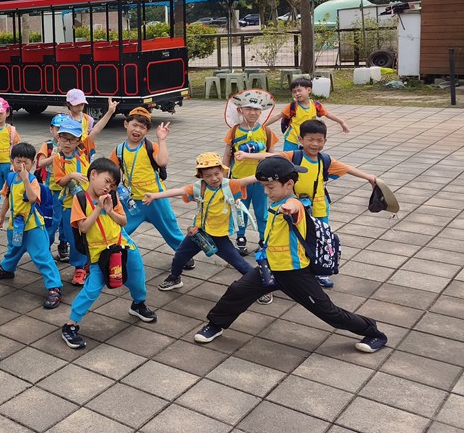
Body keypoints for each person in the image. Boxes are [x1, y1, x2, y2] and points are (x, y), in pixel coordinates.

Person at [193, 156, 387, 354]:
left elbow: (295, 206)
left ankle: (374, 333)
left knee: (327, 311)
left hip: (295, 272)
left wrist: (290, 208)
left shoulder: (294, 204)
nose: (266, 192)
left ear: (289, 184)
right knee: (237, 291)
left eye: (270, 187)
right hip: (270, 267)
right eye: (263, 187)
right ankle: (215, 325)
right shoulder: (276, 202)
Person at [237, 118, 378, 288]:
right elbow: (271, 157)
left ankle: (320, 272)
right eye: (310, 139)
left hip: (319, 209)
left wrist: (369, 177)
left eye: (319, 140)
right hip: (295, 208)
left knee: (320, 241)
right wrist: (246, 157)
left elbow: (347, 168)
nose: (315, 144)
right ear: (300, 139)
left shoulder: (325, 160)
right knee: (297, 240)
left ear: (325, 141)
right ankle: (296, 269)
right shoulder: (294, 157)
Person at [61, 158, 156, 350]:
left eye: (112, 185)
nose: (108, 187)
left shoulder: (112, 196)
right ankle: (70, 325)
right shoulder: (80, 199)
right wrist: (98, 208)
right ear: (93, 174)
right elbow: (84, 227)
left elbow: (123, 221)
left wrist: (110, 210)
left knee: (137, 275)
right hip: (99, 254)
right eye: (106, 181)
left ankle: (138, 304)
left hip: (122, 245)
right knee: (92, 289)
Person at [145, 153, 263, 301]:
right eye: (208, 176)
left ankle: (262, 287)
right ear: (201, 176)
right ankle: (174, 278)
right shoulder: (199, 187)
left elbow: (248, 179)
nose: (214, 178)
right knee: (180, 255)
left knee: (239, 263)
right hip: (199, 232)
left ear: (222, 171)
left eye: (217, 173)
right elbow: (180, 191)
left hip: (219, 236)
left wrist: (268, 172)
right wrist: (155, 196)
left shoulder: (230, 185)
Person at [0, 143, 64, 310]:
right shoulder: (10, 178)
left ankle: (54, 287)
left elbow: (32, 198)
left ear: (32, 164)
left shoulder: (32, 180)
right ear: (12, 162)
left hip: (33, 226)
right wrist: (1, 215)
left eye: (26, 162)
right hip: (16, 224)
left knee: (42, 256)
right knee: (14, 249)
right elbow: (8, 198)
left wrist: (25, 179)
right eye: (18, 162)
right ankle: (6, 269)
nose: (21, 166)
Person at [51, 102, 117, 285]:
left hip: (90, 202)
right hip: (70, 204)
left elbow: (96, 130)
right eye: (63, 138)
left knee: (92, 233)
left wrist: (110, 111)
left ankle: (88, 263)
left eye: (71, 139)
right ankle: (79, 268)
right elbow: (59, 181)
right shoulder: (58, 159)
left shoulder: (83, 150)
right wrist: (71, 175)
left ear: (79, 140)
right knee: (73, 237)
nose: (66, 143)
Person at [111, 107, 186, 254]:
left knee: (171, 229)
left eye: (142, 127)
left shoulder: (150, 147)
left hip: (156, 198)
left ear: (147, 130)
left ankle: (183, 254)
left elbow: (162, 162)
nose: (137, 130)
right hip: (132, 201)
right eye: (134, 125)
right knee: (119, 230)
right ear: (126, 124)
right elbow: (110, 172)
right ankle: (112, 253)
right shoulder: (119, 150)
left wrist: (161, 140)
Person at [222, 92, 279, 255]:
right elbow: (227, 154)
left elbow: (273, 155)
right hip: (239, 179)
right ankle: (240, 237)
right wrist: (224, 176)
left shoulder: (266, 131)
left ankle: (263, 238)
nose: (252, 113)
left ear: (261, 112)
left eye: (256, 110)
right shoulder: (233, 131)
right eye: (248, 109)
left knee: (262, 211)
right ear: (240, 110)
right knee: (240, 210)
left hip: (261, 180)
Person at [265, 77, 349, 150]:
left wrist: (341, 122)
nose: (297, 93)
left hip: (307, 141)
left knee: (305, 160)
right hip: (292, 139)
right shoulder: (292, 106)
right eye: (294, 92)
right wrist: (263, 125)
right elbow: (278, 116)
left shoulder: (315, 105)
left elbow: (327, 114)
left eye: (299, 90)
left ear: (308, 90)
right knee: (289, 160)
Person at [37, 114, 67, 259]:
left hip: (67, 190)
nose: (60, 132)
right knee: (52, 220)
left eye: (64, 129)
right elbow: (41, 163)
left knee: (65, 221)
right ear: (51, 130)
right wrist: (57, 155)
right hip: (52, 189)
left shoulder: (71, 145)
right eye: (57, 128)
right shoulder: (48, 145)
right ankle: (46, 248)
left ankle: (63, 245)